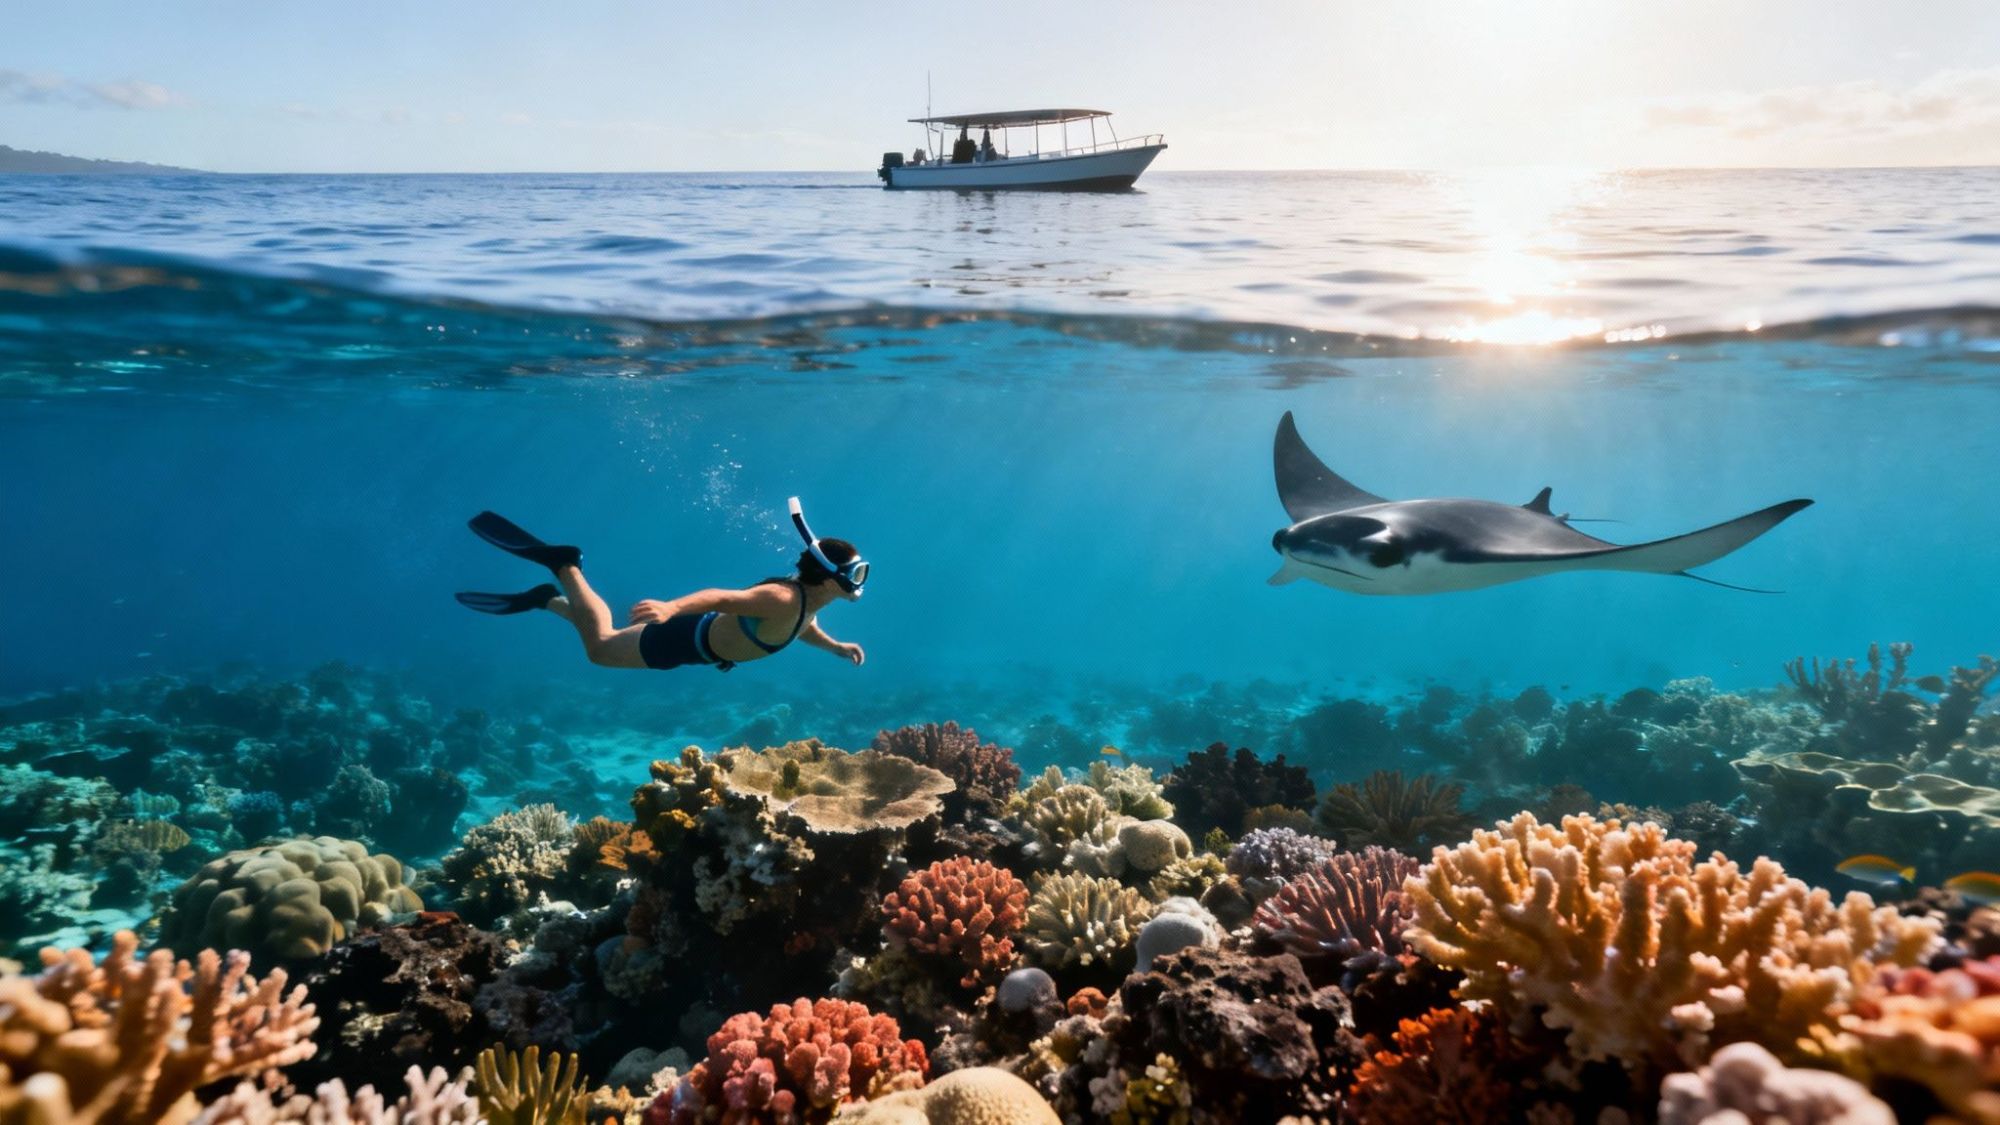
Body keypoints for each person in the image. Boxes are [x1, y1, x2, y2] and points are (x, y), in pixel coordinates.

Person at [454, 498, 867, 672]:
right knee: (599, 649)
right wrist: (670, 608)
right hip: (683, 638)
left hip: (696, 645)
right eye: (855, 572)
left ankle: (551, 601)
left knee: (604, 640)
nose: (859, 581)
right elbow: (721, 597)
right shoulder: (781, 598)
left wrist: (836, 647)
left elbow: (803, 627)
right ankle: (567, 568)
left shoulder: (808, 604)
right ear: (831, 576)